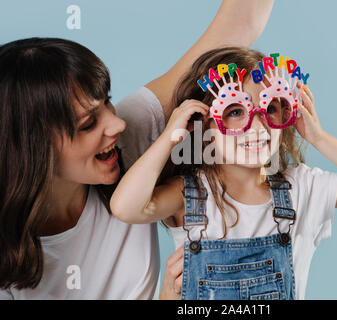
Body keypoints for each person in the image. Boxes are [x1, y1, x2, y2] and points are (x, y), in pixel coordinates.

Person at [0, 0, 274, 299]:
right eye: (89, 123)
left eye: (107, 101)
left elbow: (240, 22)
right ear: (34, 148)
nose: (116, 124)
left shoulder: (130, 138)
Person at [110, 47, 337, 299]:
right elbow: (125, 207)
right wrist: (169, 138)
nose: (257, 124)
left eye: (270, 108)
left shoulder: (300, 189)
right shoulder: (189, 195)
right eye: (235, 111)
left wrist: (319, 137)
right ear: (203, 125)